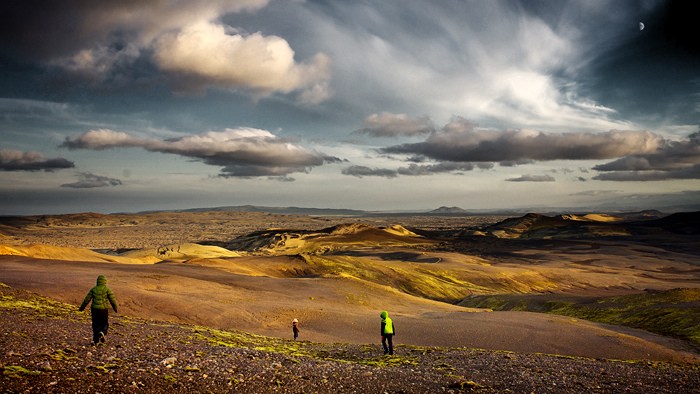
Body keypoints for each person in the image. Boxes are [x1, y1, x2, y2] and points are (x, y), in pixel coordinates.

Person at [79, 275, 118, 346]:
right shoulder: (107, 290)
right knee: (104, 323)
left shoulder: (93, 289)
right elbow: (113, 300)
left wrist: (82, 308)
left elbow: (87, 299)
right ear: (105, 282)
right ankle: (102, 332)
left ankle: (95, 340)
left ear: (97, 281)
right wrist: (115, 308)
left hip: (94, 309)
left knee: (95, 324)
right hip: (104, 309)